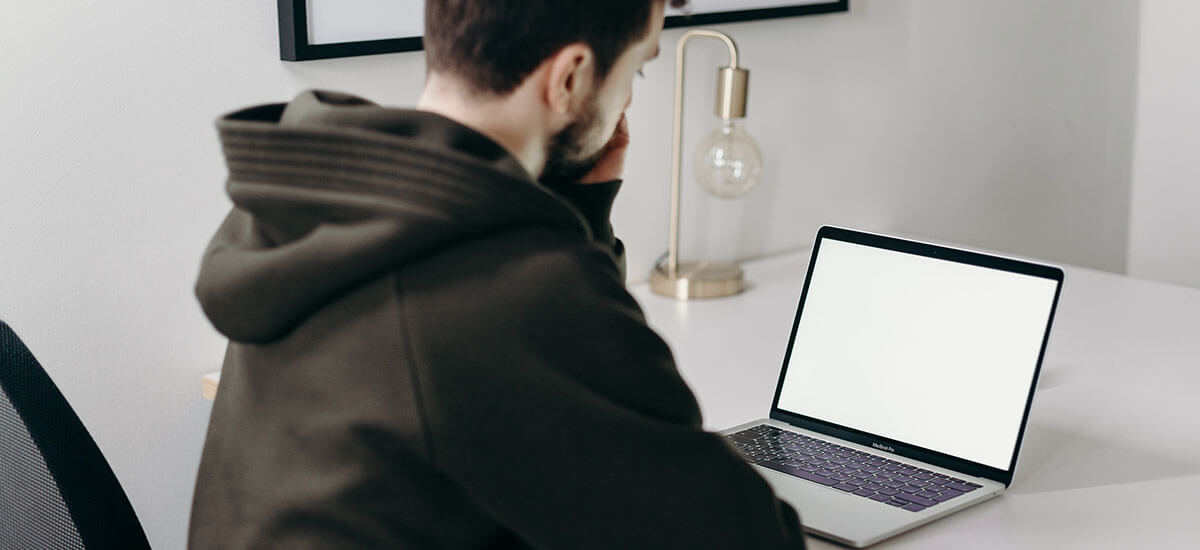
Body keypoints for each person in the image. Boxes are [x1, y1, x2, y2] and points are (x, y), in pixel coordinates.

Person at [189, 1, 806, 548]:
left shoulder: (328, 209)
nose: (630, 98)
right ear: (570, 78)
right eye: (636, 70)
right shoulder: (509, 289)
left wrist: (580, 209)